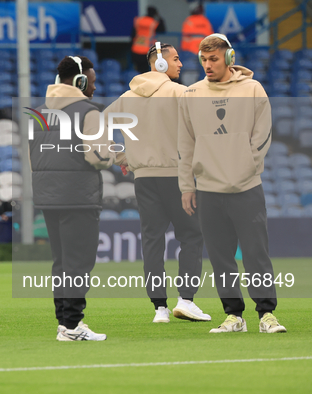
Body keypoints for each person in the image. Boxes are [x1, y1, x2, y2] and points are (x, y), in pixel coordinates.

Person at [178, 33, 286, 333]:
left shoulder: (252, 89)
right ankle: (234, 316)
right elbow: (185, 144)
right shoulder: (191, 94)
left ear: (229, 58)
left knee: (256, 253)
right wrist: (187, 185)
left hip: (247, 187)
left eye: (213, 59)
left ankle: (266, 314)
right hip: (208, 189)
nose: (208, 65)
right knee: (220, 258)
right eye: (203, 59)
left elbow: (262, 134)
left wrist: (245, 167)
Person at [106, 43, 210, 324]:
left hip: (144, 179)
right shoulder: (180, 93)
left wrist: (121, 156)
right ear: (160, 63)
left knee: (152, 241)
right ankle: (186, 300)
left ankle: (159, 309)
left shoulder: (126, 97)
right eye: (176, 59)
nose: (181, 64)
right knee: (191, 236)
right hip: (177, 177)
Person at [30, 56, 117, 341]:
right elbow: (98, 156)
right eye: (90, 82)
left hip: (48, 196)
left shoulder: (38, 111)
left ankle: (63, 323)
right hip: (79, 195)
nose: (93, 88)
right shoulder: (89, 111)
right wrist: (113, 153)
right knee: (78, 264)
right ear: (79, 82)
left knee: (61, 263)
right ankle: (73, 325)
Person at [131, 6, 166, 74]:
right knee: (145, 71)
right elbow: (162, 30)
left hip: (135, 49)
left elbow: (132, 34)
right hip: (147, 51)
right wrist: (160, 18)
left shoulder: (139, 20)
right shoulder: (153, 23)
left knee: (137, 71)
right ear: (155, 13)